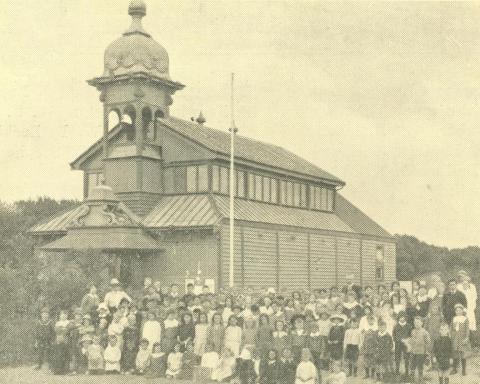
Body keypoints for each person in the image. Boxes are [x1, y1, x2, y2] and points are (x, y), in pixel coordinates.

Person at [409, 316, 431, 383]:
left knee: (420, 367)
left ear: (422, 323)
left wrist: (426, 352)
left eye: (418, 322)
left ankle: (420, 380)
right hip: (413, 352)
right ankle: (412, 379)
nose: (416, 324)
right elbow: (411, 341)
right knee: (412, 366)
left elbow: (428, 342)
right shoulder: (412, 331)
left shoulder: (424, 332)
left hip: (421, 353)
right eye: (415, 322)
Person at [450, 303, 470, 376]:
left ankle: (464, 370)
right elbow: (451, 328)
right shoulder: (454, 318)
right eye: (457, 311)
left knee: (462, 354)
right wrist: (450, 335)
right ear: (455, 311)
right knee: (455, 353)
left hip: (462, 338)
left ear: (462, 311)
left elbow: (467, 329)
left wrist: (467, 337)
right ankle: (454, 369)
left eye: (460, 310)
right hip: (455, 338)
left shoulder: (465, 319)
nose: (458, 312)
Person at [457, 271, 477, 337]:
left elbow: (474, 297)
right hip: (462, 307)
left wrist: (472, 307)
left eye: (463, 276)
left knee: (471, 323)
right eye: (460, 277)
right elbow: (459, 297)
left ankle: (473, 342)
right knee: (463, 322)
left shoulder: (472, 286)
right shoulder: (458, 286)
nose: (462, 278)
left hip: (470, 307)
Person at [51, 310, 72, 375]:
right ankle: (57, 370)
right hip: (58, 340)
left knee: (65, 355)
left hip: (66, 340)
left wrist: (63, 329)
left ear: (67, 316)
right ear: (60, 316)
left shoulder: (69, 322)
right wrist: (63, 329)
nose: (64, 316)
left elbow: (68, 330)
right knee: (58, 354)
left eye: (65, 314)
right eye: (62, 314)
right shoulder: (57, 323)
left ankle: (65, 370)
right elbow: (56, 330)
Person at [393, 311, 412, 377]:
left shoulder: (409, 326)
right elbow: (394, 335)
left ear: (405, 318)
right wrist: (398, 340)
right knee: (397, 357)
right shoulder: (396, 326)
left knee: (406, 358)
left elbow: (410, 335)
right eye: (400, 317)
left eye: (403, 317)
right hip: (398, 344)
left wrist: (407, 340)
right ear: (398, 318)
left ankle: (407, 371)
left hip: (406, 344)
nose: (402, 319)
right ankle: (397, 371)